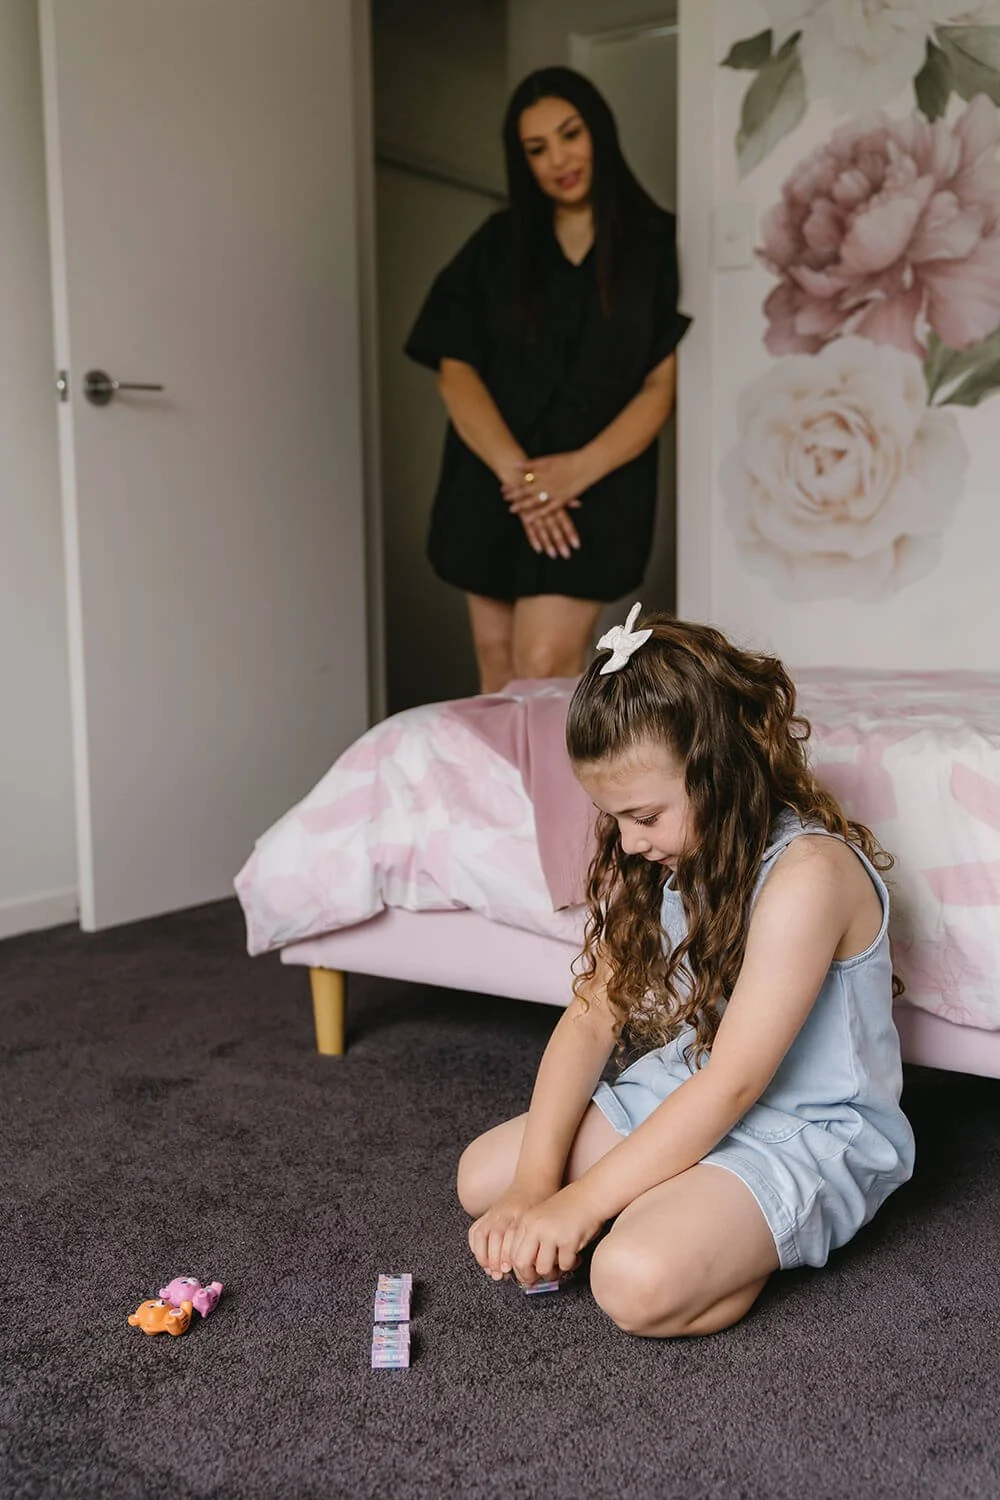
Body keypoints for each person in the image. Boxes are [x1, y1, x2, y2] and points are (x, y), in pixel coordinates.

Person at [456, 606, 916, 1337]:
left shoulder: (809, 876)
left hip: (804, 1124)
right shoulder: (660, 860)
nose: (630, 843)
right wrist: (535, 1188)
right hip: (693, 1084)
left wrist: (581, 1206)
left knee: (630, 1280)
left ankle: (717, 1232)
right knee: (485, 1177)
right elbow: (588, 1020)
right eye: (615, 820)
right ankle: (675, 1201)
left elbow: (737, 1081)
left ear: (719, 770)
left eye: (643, 816)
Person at [404, 68, 691, 693]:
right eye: (537, 148)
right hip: (495, 481)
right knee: (496, 660)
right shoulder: (496, 245)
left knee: (543, 662)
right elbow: (454, 371)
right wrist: (521, 477)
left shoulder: (658, 246)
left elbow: (659, 387)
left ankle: (566, 795)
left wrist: (574, 472)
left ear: (599, 132)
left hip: (596, 488)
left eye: (569, 135)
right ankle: (511, 797)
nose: (558, 158)